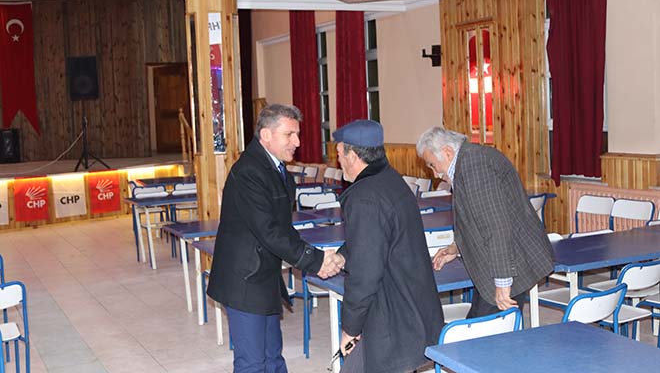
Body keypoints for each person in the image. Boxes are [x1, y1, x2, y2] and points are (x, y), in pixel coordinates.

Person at [206, 104, 343, 373]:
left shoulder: (277, 169)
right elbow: (268, 231)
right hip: (245, 280)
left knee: (273, 359)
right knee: (253, 364)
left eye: (297, 134)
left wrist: (315, 257)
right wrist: (316, 260)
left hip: (263, 275)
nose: (297, 142)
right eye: (289, 134)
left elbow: (283, 230)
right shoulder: (249, 172)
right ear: (266, 135)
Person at [331, 120, 444, 373]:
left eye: (339, 154)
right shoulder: (391, 180)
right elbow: (380, 234)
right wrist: (343, 255)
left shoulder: (363, 197)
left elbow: (365, 273)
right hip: (414, 303)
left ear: (353, 155)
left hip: (392, 313)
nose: (338, 161)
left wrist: (350, 327)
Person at [416, 127, 554, 317]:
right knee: (486, 328)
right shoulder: (470, 160)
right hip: (500, 263)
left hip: (508, 264)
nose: (434, 173)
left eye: (432, 165)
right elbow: (476, 220)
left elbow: (496, 226)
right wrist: (455, 248)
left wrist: (503, 282)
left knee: (483, 331)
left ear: (447, 152)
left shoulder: (474, 165)